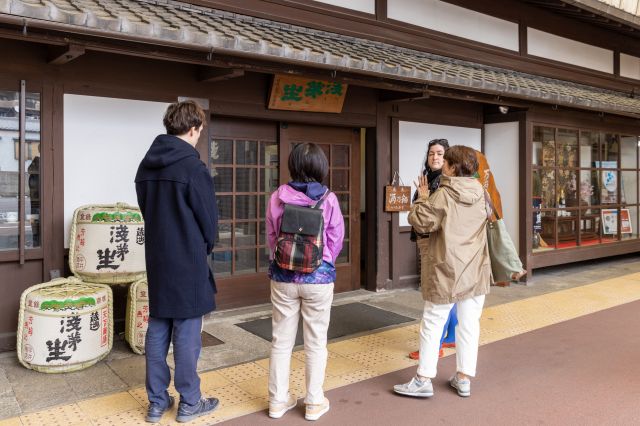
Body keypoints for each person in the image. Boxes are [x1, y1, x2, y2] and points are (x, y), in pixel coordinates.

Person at [135, 100, 219, 423]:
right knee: (186, 332)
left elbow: (148, 210)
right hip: (188, 261)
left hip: (158, 257)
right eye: (200, 129)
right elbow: (209, 223)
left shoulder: (147, 166)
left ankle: (157, 402)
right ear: (193, 127)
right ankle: (190, 402)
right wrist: (203, 247)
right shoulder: (193, 168)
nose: (199, 135)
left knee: (158, 327)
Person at [394, 145, 491, 399]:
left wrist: (422, 198)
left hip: (446, 268)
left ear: (452, 167)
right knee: (469, 325)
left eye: (445, 161)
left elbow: (420, 220)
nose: (441, 163)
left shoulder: (445, 194)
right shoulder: (482, 192)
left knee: (433, 322)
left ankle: (423, 379)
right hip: (476, 269)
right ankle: (463, 378)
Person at [265, 143, 344, 421]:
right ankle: (313, 402)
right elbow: (335, 239)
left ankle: (277, 401)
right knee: (315, 341)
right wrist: (322, 261)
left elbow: (272, 237)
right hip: (318, 279)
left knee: (281, 341)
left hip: (283, 276)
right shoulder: (328, 198)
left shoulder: (277, 197)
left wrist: (285, 261)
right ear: (321, 167)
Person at [408, 139, 457, 361]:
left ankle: (435, 344)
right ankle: (452, 335)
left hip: (435, 242)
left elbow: (429, 217)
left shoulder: (445, 183)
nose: (435, 157)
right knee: (449, 294)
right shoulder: (429, 179)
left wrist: (424, 198)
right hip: (430, 240)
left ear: (448, 158)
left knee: (437, 294)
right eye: (431, 154)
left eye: (439, 153)